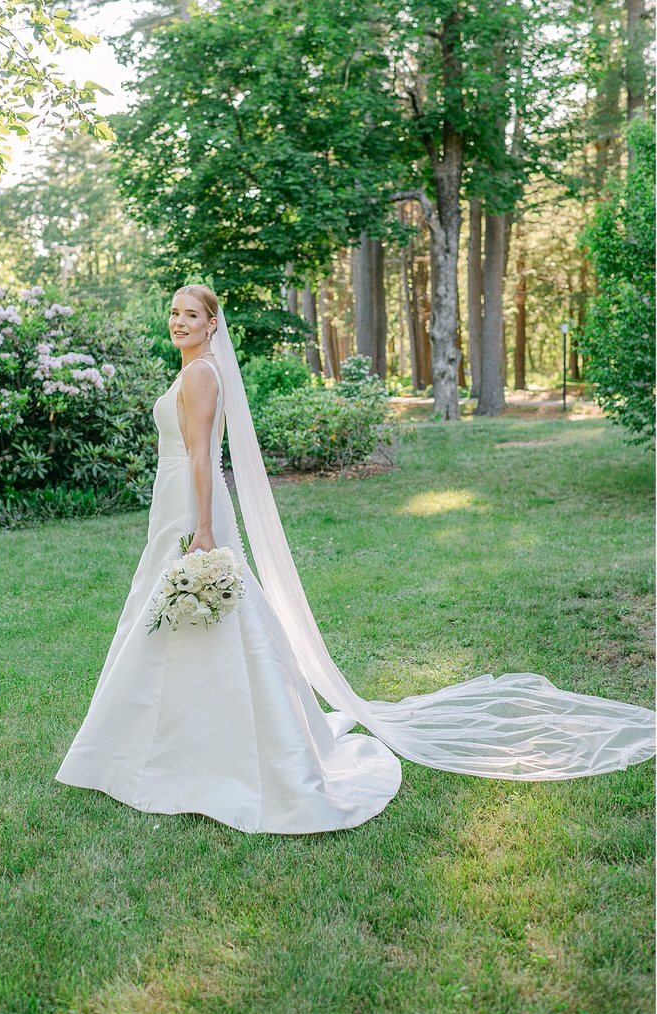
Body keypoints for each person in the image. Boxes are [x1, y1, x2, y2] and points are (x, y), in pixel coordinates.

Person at [56, 285, 655, 834]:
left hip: (190, 507)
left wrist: (204, 528)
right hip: (176, 503)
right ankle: (167, 742)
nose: (179, 322)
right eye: (174, 313)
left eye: (191, 315)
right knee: (174, 611)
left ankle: (184, 748)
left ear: (213, 324)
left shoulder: (201, 377)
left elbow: (200, 460)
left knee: (193, 608)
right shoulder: (194, 371)